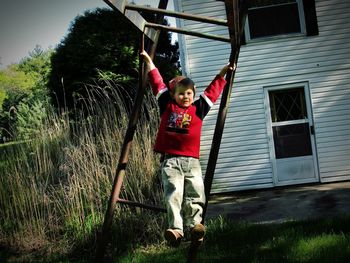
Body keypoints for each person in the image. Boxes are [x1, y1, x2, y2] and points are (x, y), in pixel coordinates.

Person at [141, 50, 233, 246]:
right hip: (171, 161)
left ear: (193, 94)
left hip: (192, 162)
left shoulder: (198, 109)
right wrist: (149, 61)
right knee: (173, 193)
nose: (185, 96)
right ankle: (176, 229)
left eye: (189, 93)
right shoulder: (167, 105)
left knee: (196, 192)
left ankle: (194, 226)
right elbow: (157, 83)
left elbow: (212, 92)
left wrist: (223, 72)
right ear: (173, 95)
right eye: (181, 93)